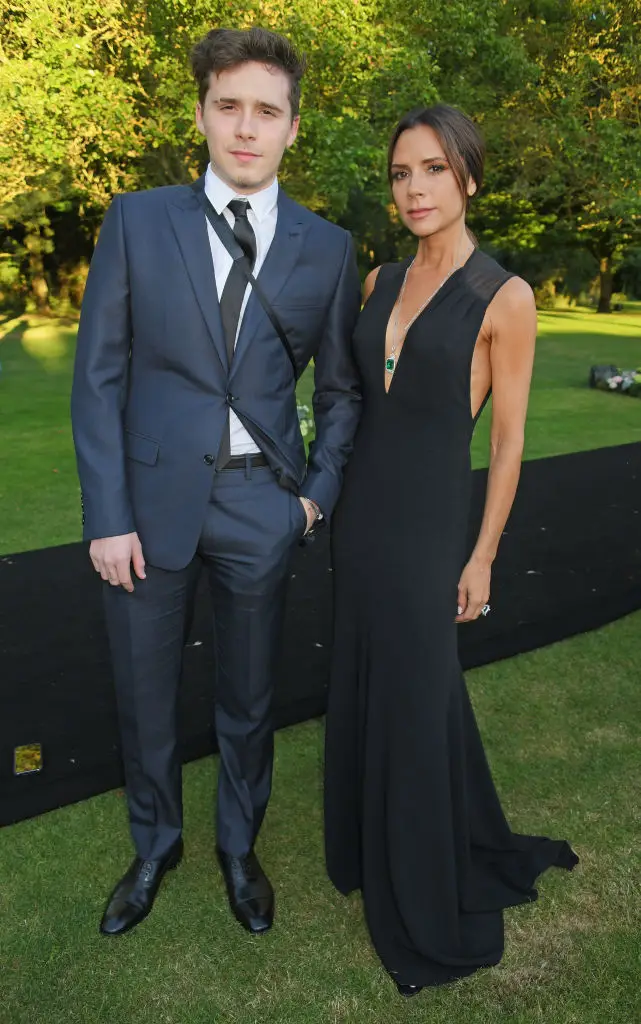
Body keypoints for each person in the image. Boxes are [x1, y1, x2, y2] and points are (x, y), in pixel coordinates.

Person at [71, 26, 361, 938]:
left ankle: (239, 846)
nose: (245, 127)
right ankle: (155, 845)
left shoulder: (329, 248)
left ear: (292, 128)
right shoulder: (136, 219)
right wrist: (107, 516)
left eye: (265, 111)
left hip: (260, 506)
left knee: (248, 698)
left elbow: (341, 391)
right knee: (144, 695)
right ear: (200, 114)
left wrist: (311, 499)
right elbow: (98, 378)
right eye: (228, 106)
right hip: (146, 509)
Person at [323, 104, 578, 996]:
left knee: (414, 694)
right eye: (401, 173)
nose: (414, 188)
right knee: (368, 679)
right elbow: (357, 399)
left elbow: (506, 442)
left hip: (429, 528)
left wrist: (481, 556)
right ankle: (367, 845)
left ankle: (422, 888)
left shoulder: (505, 296)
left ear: (467, 176)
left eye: (432, 169)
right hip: (359, 519)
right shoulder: (380, 278)